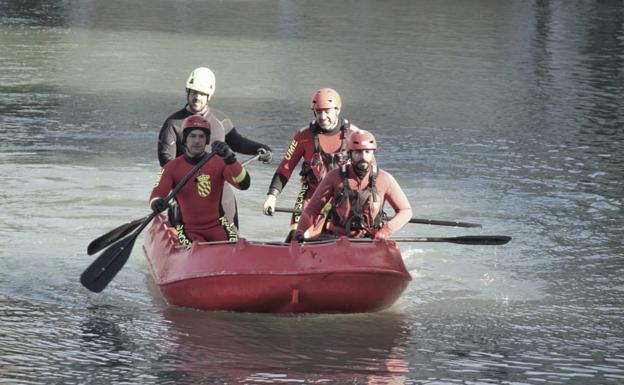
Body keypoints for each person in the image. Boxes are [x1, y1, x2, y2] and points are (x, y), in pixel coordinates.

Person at [158, 66, 272, 229]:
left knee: (230, 241)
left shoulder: (220, 120)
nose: (197, 97)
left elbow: (238, 142)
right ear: (187, 92)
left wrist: (260, 148)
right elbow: (166, 160)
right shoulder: (173, 124)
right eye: (194, 92)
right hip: (186, 194)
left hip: (221, 194)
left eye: (202, 94)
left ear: (209, 95)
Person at [262, 88, 361, 241]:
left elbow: (370, 175)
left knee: (342, 234)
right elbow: (285, 167)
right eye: (318, 112)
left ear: (338, 110)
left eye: (327, 111)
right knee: (297, 235)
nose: (322, 117)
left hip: (344, 198)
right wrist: (272, 196)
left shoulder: (356, 135)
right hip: (311, 195)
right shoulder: (303, 135)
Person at [293, 130, 412, 242]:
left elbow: (405, 211)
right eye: (358, 152)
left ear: (373, 153)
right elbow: (312, 210)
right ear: (350, 153)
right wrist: (299, 233)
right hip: (336, 238)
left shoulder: (385, 179)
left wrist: (386, 230)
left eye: (367, 152)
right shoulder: (334, 176)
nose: (363, 157)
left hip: (370, 239)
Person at [150, 116, 250, 247]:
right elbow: (157, 193)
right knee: (200, 250)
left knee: (233, 250)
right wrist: (157, 202)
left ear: (207, 140)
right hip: (188, 230)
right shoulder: (171, 168)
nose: (197, 141)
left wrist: (230, 158)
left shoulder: (220, 162)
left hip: (218, 227)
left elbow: (243, 184)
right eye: (192, 136)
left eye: (201, 136)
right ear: (185, 139)